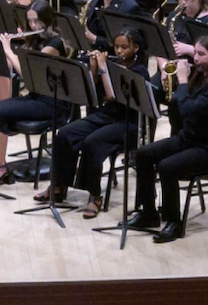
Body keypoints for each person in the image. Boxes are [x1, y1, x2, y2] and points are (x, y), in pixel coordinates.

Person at [126, 31, 208, 243]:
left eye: (201, 55)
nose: (195, 59)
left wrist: (183, 81)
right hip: (189, 139)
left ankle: (174, 223)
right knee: (143, 154)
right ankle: (148, 213)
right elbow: (179, 105)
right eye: (195, 53)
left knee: (167, 166)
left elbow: (189, 111)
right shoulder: (201, 76)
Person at [38, 24, 152, 218]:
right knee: (65, 134)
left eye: (124, 47)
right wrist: (93, 70)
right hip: (106, 116)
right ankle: (59, 185)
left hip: (128, 123)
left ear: (136, 48)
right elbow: (91, 94)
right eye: (117, 46)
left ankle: (95, 195)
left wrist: (103, 69)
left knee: (93, 142)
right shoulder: (113, 64)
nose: (119, 51)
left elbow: (113, 96)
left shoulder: (139, 71)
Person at [0, 3, 76, 183]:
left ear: (47, 20)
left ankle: (1, 167)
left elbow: (28, 72)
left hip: (52, 103)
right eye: (30, 21)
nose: (33, 26)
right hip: (35, 97)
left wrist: (8, 50)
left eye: (37, 21)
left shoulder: (55, 44)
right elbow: (11, 68)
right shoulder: (35, 40)